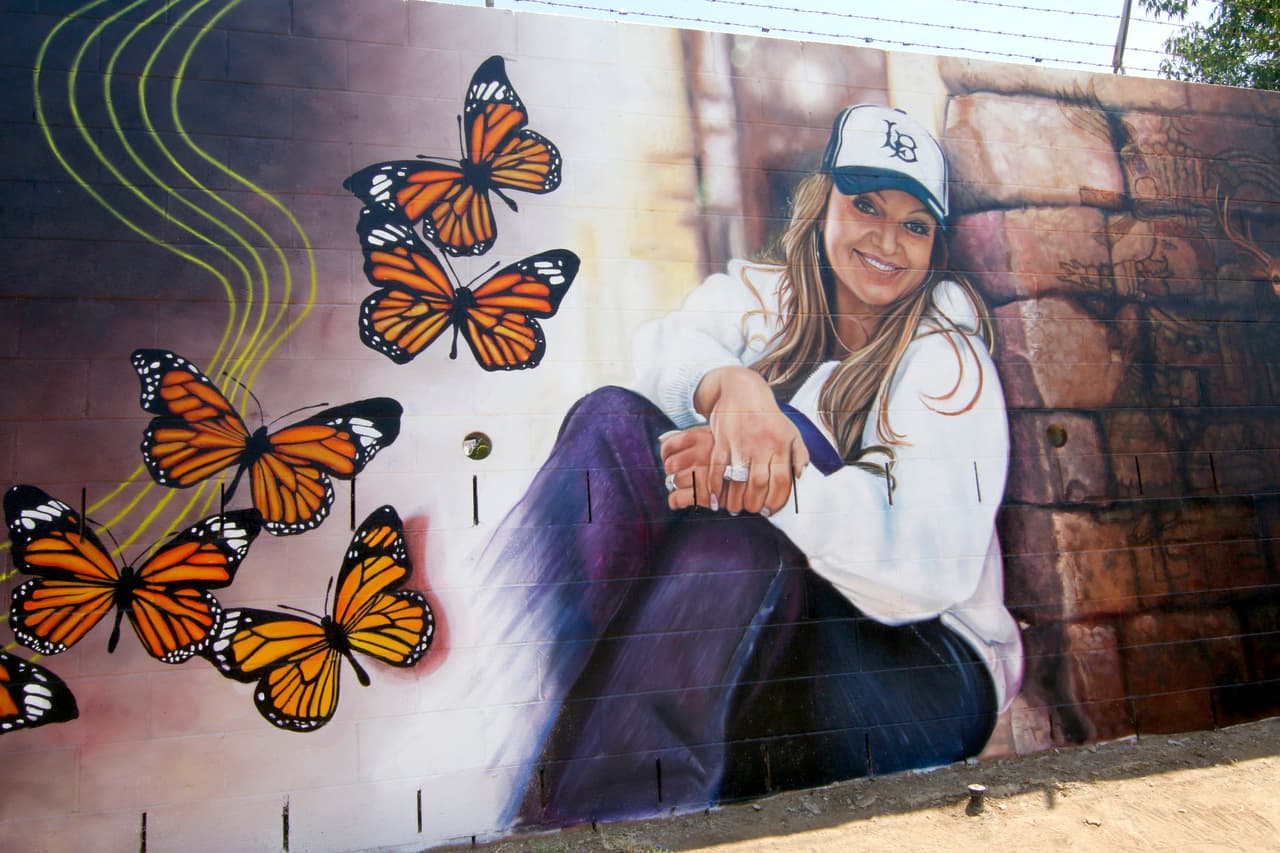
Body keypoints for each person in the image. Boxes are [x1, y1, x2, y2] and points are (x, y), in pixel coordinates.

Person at [477, 104, 1022, 828]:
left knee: (742, 532)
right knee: (615, 424)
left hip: (918, 666)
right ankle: (515, 727)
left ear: (935, 245)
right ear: (824, 201)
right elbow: (664, 349)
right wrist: (728, 388)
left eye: (914, 224)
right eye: (866, 206)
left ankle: (606, 819)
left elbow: (925, 562)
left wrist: (764, 474)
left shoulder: (949, 358)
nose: (887, 240)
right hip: (766, 624)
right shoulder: (765, 298)